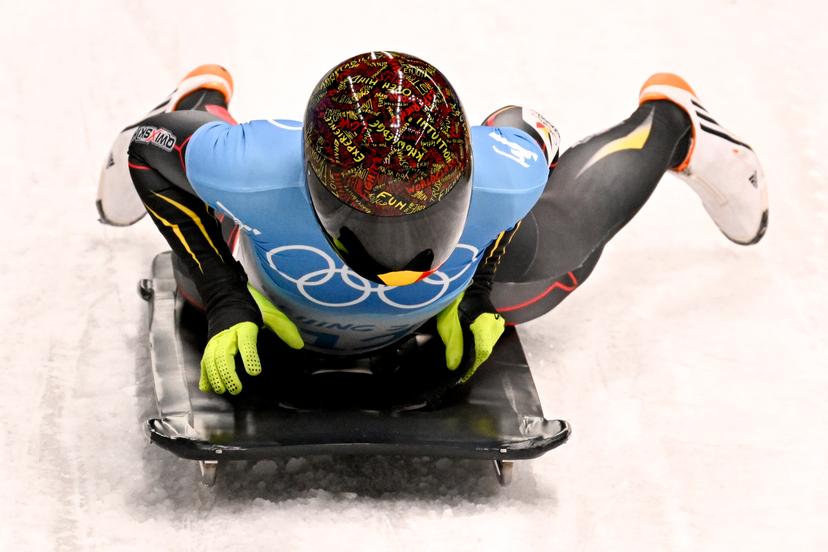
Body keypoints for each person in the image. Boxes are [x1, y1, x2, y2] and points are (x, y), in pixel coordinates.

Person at [100, 51, 768, 396]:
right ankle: (199, 102)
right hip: (265, 282)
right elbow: (148, 147)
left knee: (556, 253)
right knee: (194, 271)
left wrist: (476, 288)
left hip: (381, 290)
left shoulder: (506, 173)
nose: (397, 259)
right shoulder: (253, 166)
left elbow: (522, 128)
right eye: (373, 216)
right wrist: (223, 292)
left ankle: (673, 122)